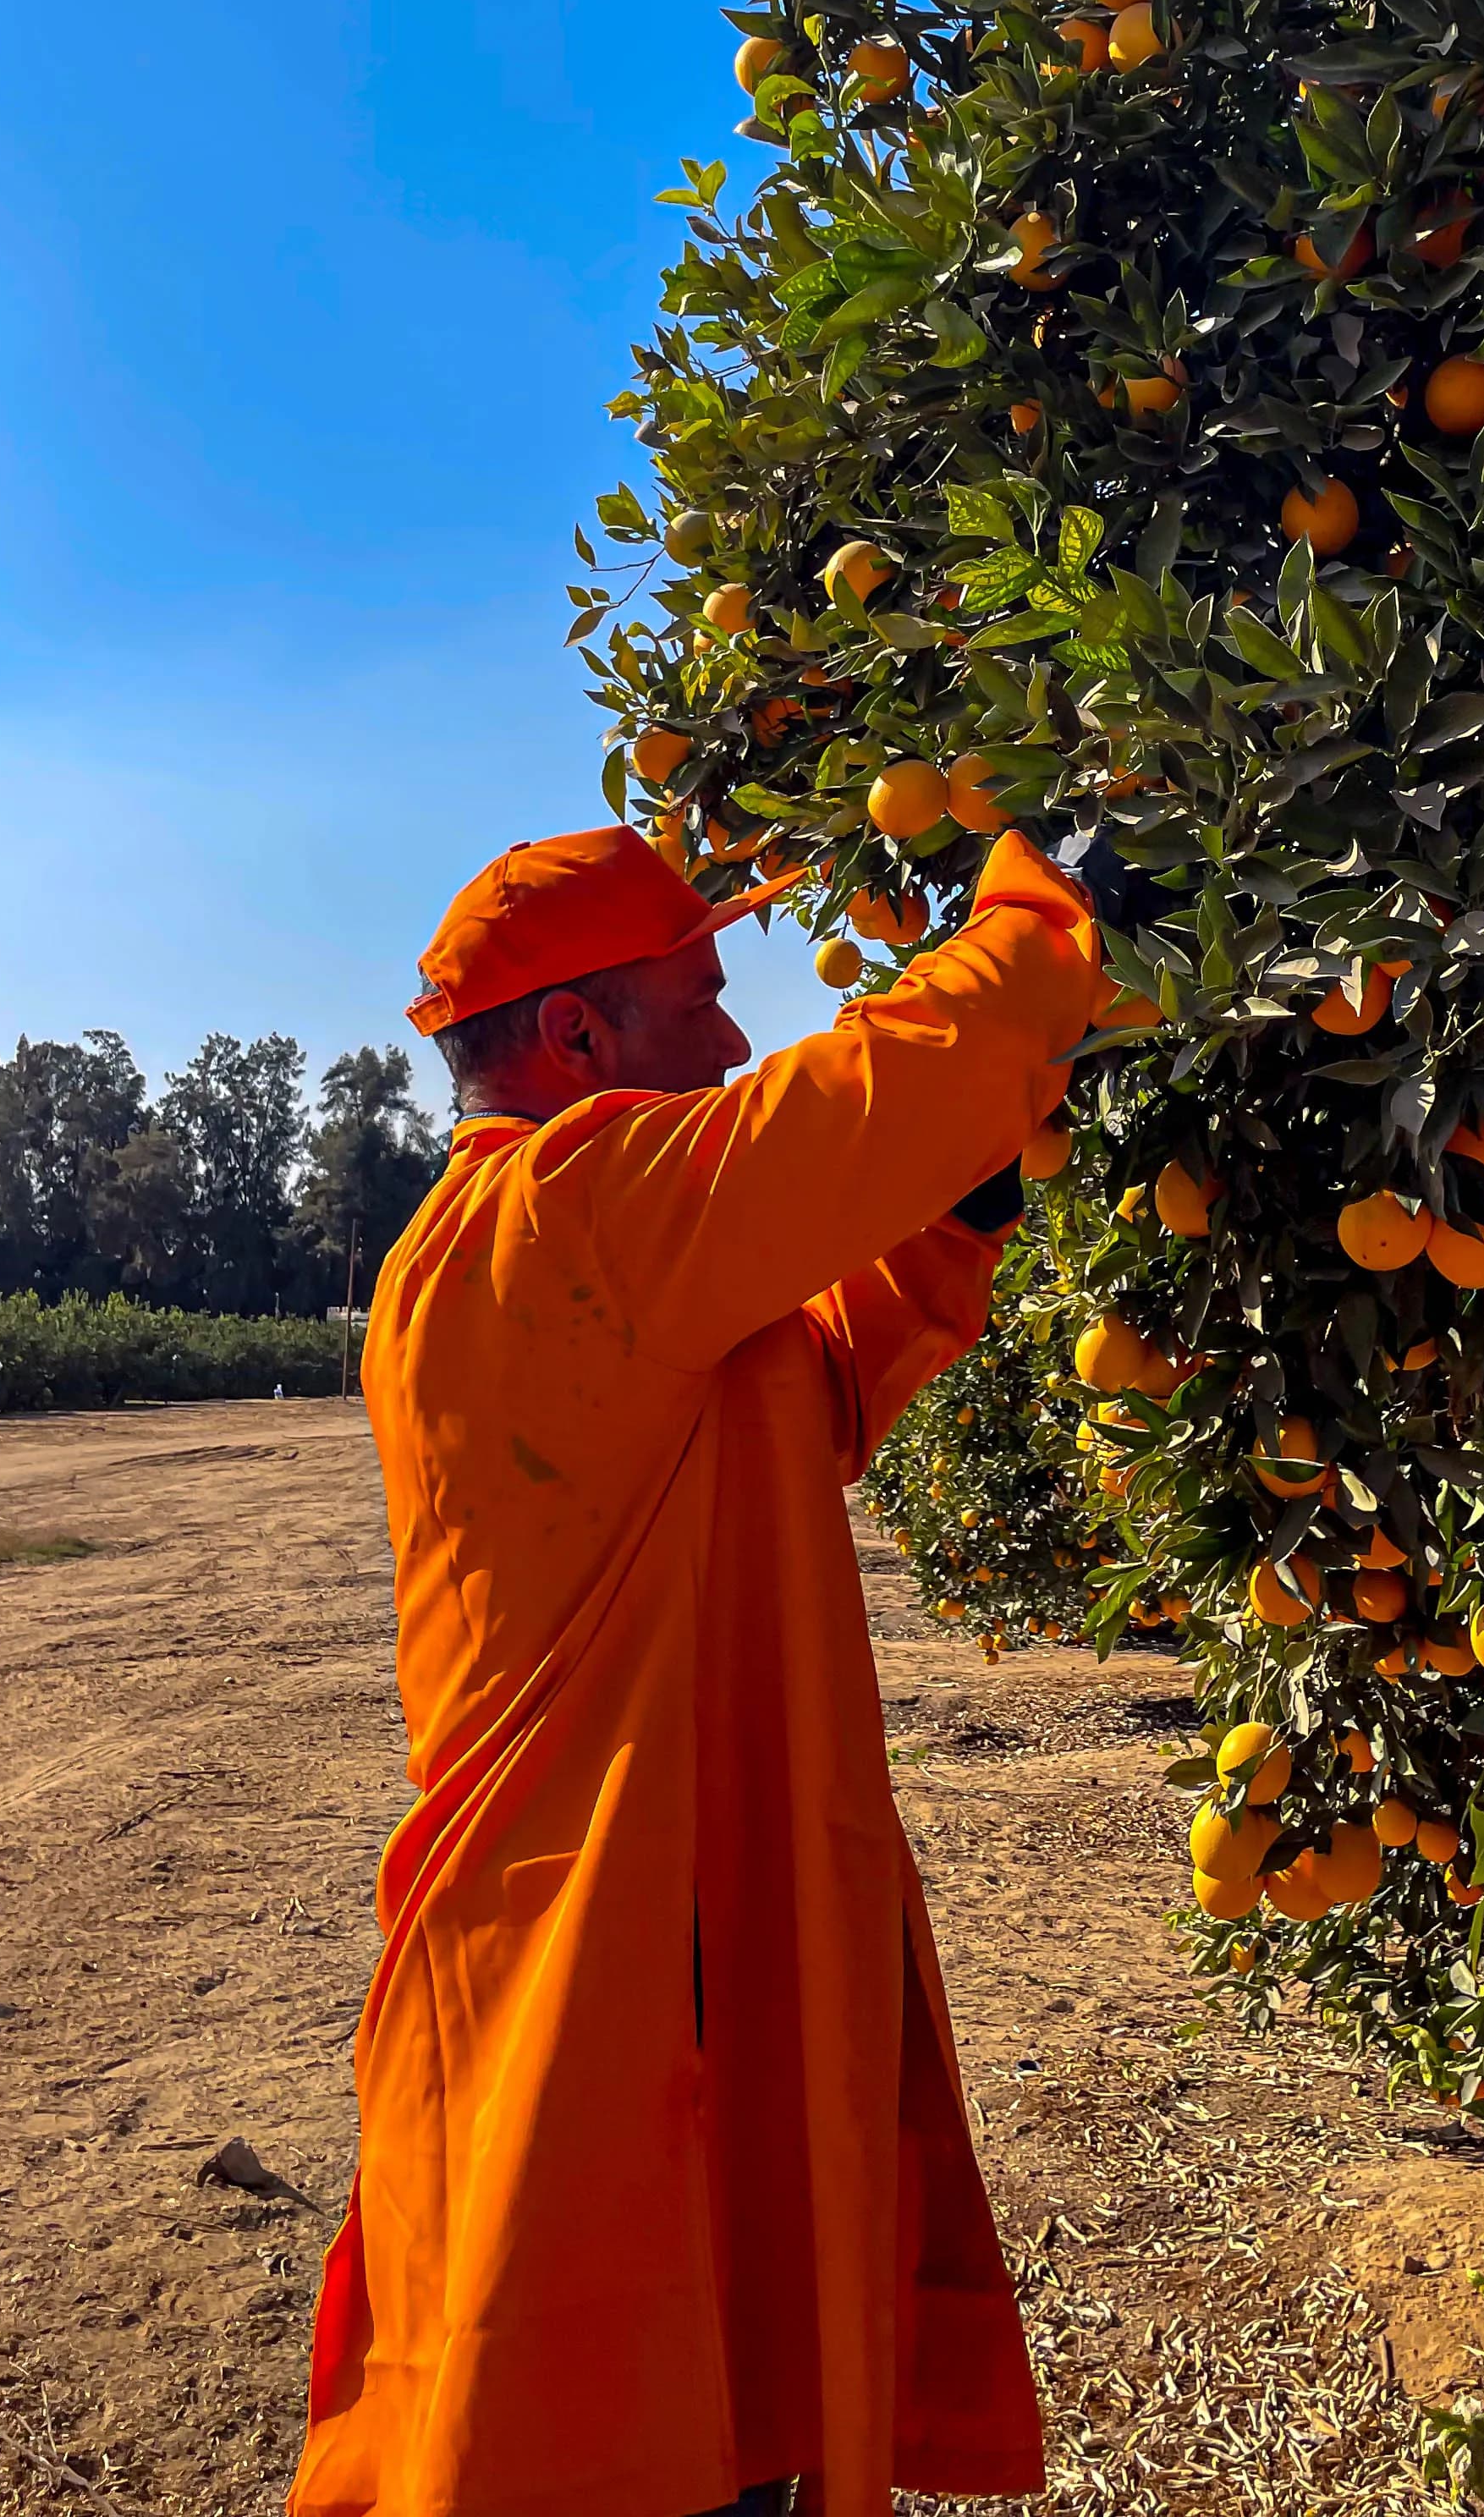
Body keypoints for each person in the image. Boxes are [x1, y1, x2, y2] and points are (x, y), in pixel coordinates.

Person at [289, 817, 1102, 2517]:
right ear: (577, 1037)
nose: (737, 1042)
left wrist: (957, 1213)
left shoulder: (613, 1266)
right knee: (594, 2436)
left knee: (708, 2405)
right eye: (701, 1001)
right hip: (588, 1975)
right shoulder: (553, 1220)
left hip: (662, 1943)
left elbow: (809, 1397)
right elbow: (849, 1106)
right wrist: (1047, 913)